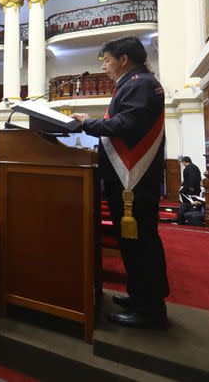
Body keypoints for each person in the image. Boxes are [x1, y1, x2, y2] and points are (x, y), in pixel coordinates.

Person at [71, 36, 169, 329]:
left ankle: (150, 309)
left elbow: (126, 125)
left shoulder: (138, 83)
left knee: (140, 243)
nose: (104, 67)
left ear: (123, 59)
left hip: (133, 182)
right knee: (135, 243)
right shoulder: (136, 82)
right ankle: (140, 297)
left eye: (107, 60)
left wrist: (86, 123)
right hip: (130, 182)